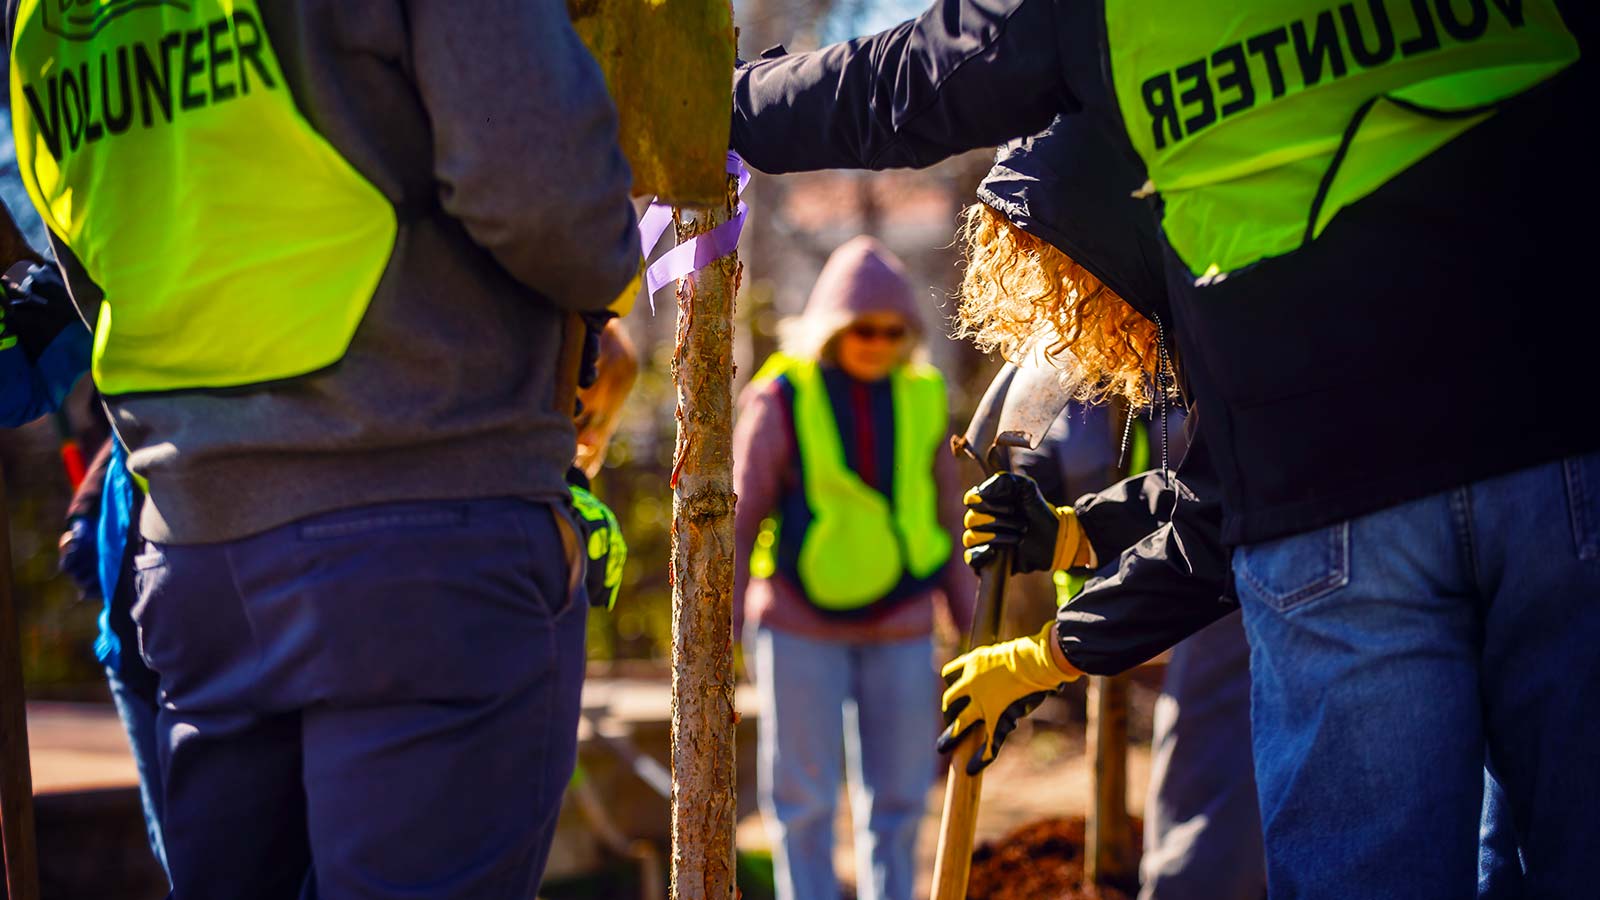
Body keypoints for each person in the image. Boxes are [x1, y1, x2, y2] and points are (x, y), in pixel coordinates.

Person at [731, 6, 1597, 895]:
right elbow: (1215, 490)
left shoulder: (1156, 90)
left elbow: (905, 80)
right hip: (1567, 451)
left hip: (1344, 516)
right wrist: (1072, 537)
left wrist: (1046, 653)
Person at [7, 2, 640, 895]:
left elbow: (78, 248)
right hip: (426, 526)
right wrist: (602, 279)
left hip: (196, 560)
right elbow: (545, 190)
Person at [733, 236, 975, 900]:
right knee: (802, 801)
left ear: (908, 333)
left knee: (899, 802)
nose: (875, 341)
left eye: (891, 330)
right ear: (831, 327)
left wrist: (972, 627)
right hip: (797, 623)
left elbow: (951, 519)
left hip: (902, 624)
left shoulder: (924, 394)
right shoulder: (780, 395)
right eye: (860, 329)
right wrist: (716, 640)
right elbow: (740, 516)